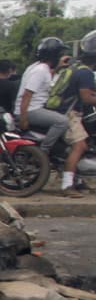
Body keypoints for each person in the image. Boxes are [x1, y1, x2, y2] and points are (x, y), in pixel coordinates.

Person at [52, 31, 96, 197]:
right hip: (71, 114)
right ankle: (67, 186)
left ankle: (77, 180)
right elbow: (86, 97)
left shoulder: (76, 68)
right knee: (80, 145)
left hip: (68, 112)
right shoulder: (86, 73)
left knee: (87, 141)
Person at [16, 37, 67, 156]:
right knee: (63, 122)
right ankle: (43, 151)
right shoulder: (40, 70)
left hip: (32, 108)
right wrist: (23, 119)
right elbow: (27, 95)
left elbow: (46, 80)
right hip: (31, 110)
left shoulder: (36, 67)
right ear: (54, 54)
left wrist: (58, 67)